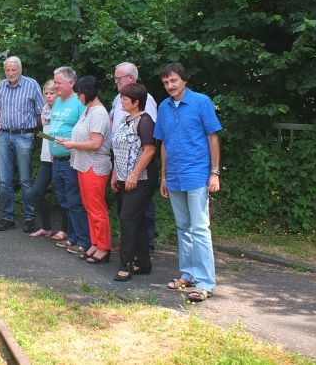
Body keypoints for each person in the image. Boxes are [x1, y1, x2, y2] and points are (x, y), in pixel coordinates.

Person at [154, 62, 222, 302]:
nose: (169, 86)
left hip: (197, 174)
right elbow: (162, 143)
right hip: (174, 176)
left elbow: (212, 138)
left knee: (200, 228)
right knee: (183, 227)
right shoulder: (163, 107)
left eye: (173, 81)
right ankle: (189, 274)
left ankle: (205, 283)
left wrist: (214, 173)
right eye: (165, 83)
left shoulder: (202, 102)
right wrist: (163, 176)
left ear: (184, 80)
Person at [58, 76, 112, 264]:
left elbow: (96, 143)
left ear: (88, 93)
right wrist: (68, 141)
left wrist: (72, 144)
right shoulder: (88, 111)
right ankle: (95, 243)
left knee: (97, 209)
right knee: (89, 208)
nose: (78, 97)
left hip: (94, 166)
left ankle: (104, 247)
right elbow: (82, 136)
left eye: (80, 93)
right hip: (83, 164)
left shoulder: (98, 112)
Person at [110, 83, 157, 281]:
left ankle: (125, 263)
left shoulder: (144, 121)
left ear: (137, 103)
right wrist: (115, 175)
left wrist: (134, 175)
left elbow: (149, 150)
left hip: (140, 180)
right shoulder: (126, 120)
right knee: (134, 220)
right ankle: (144, 263)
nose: (121, 101)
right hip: (122, 178)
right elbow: (119, 150)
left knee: (128, 219)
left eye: (125, 99)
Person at [0, 56, 46, 232]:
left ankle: (29, 217)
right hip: (4, 135)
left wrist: (32, 131)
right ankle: (8, 217)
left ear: (20, 69)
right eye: (7, 70)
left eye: (13, 70)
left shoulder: (32, 84)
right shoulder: (1, 85)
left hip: (24, 136)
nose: (10, 73)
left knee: (25, 179)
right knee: (4, 180)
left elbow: (42, 112)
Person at [48, 67, 88, 253]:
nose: (56, 86)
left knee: (74, 201)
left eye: (59, 83)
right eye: (54, 82)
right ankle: (72, 237)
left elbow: (84, 131)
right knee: (64, 201)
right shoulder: (57, 102)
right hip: (56, 158)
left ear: (71, 83)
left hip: (71, 159)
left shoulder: (78, 103)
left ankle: (81, 240)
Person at [27, 80, 69, 238]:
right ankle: (46, 227)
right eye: (46, 93)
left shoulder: (63, 110)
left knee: (63, 195)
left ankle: (65, 229)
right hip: (46, 156)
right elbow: (46, 133)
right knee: (36, 193)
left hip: (59, 155)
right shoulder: (44, 109)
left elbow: (59, 135)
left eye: (52, 93)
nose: (49, 96)